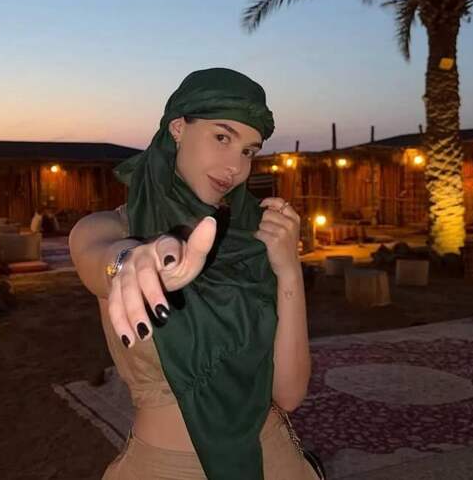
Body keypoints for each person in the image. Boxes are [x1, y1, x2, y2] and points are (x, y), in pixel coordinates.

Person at [69, 68, 320, 479]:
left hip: (272, 460)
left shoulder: (252, 241)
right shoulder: (112, 228)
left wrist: (288, 271)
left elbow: (288, 395)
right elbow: (99, 259)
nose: (235, 166)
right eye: (222, 137)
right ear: (178, 128)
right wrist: (130, 263)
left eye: (248, 151)